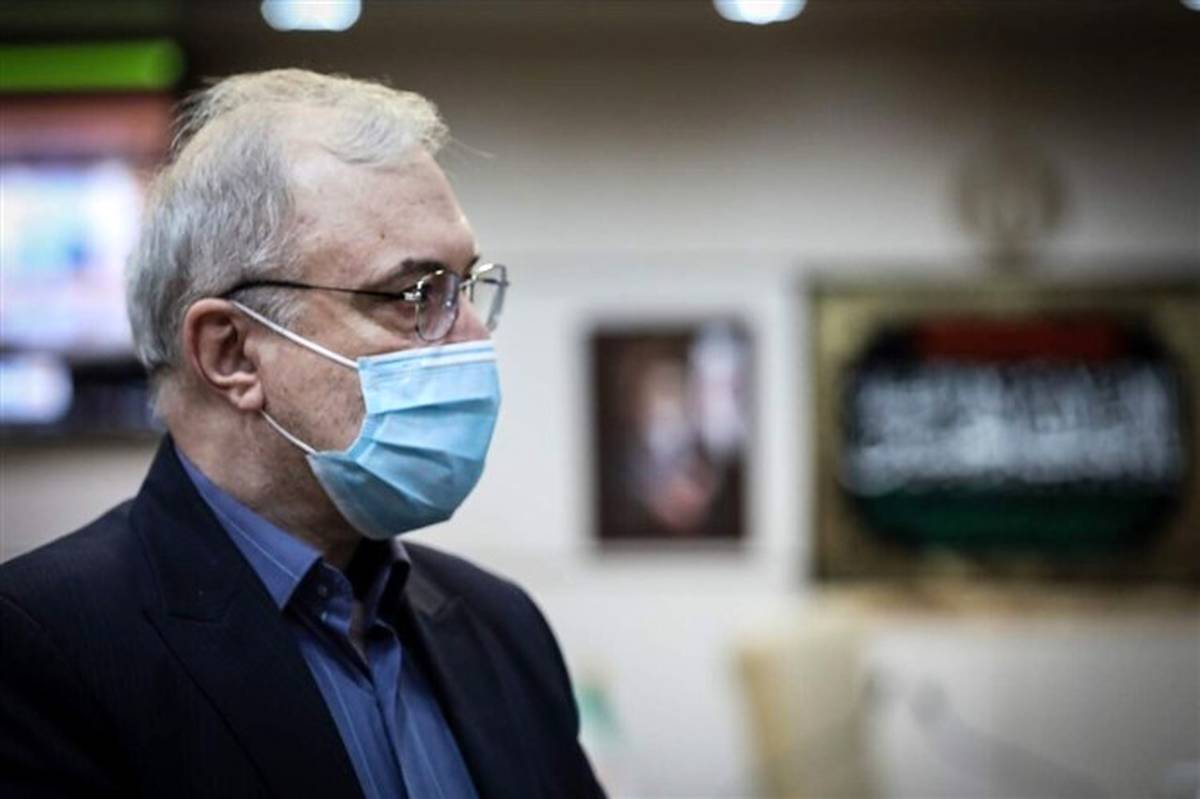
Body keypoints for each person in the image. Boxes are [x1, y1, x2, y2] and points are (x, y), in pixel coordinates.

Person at [0, 69, 605, 799]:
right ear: (231, 352)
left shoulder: (502, 627)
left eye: (465, 287)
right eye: (415, 294)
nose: (472, 336)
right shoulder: (43, 645)